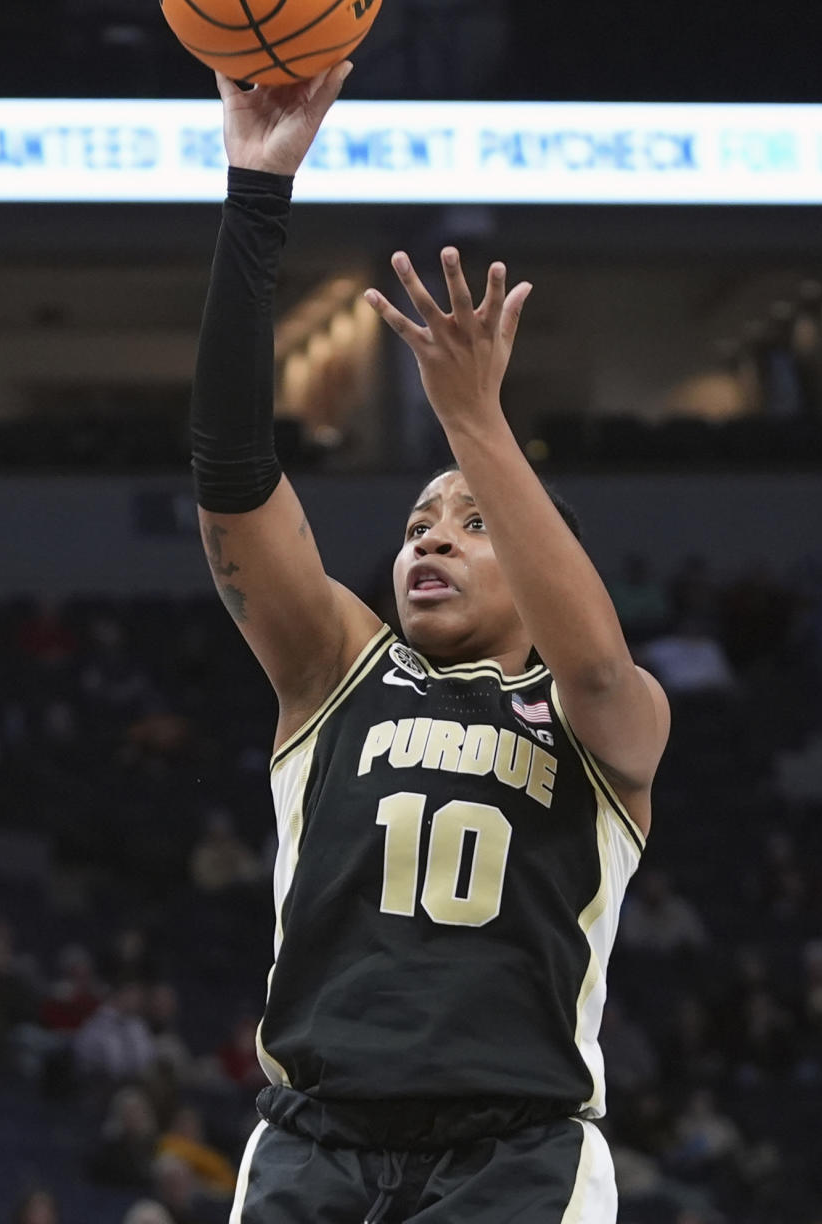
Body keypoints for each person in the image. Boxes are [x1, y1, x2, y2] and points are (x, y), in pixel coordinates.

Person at [190, 66, 671, 1223]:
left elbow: (595, 660)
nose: (428, 541)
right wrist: (256, 191)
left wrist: (474, 417)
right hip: (314, 1147)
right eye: (414, 525)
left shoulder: (610, 717)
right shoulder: (337, 670)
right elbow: (231, 483)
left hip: (516, 1161)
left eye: (469, 523)